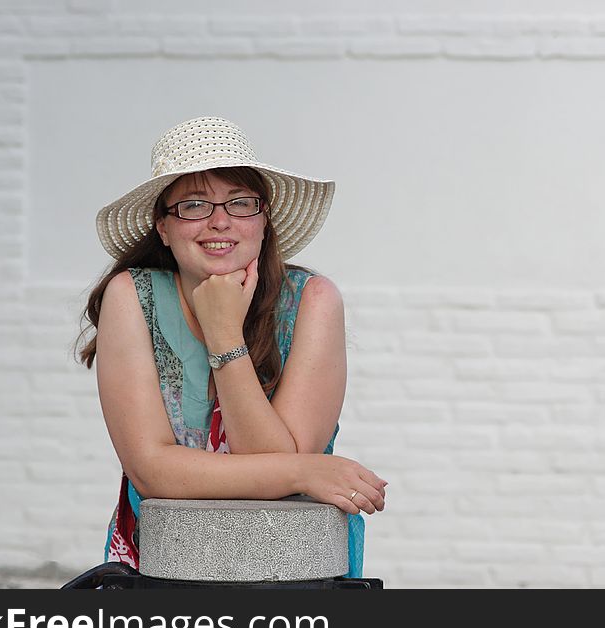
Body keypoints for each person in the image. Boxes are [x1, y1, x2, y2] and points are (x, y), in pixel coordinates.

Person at [77, 116, 387, 578]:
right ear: (163, 226)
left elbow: (271, 460)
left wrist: (225, 337)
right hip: (169, 569)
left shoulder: (312, 302)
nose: (220, 221)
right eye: (195, 204)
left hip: (294, 568)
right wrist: (304, 472)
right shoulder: (132, 298)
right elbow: (152, 471)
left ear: (264, 220)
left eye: (240, 203)